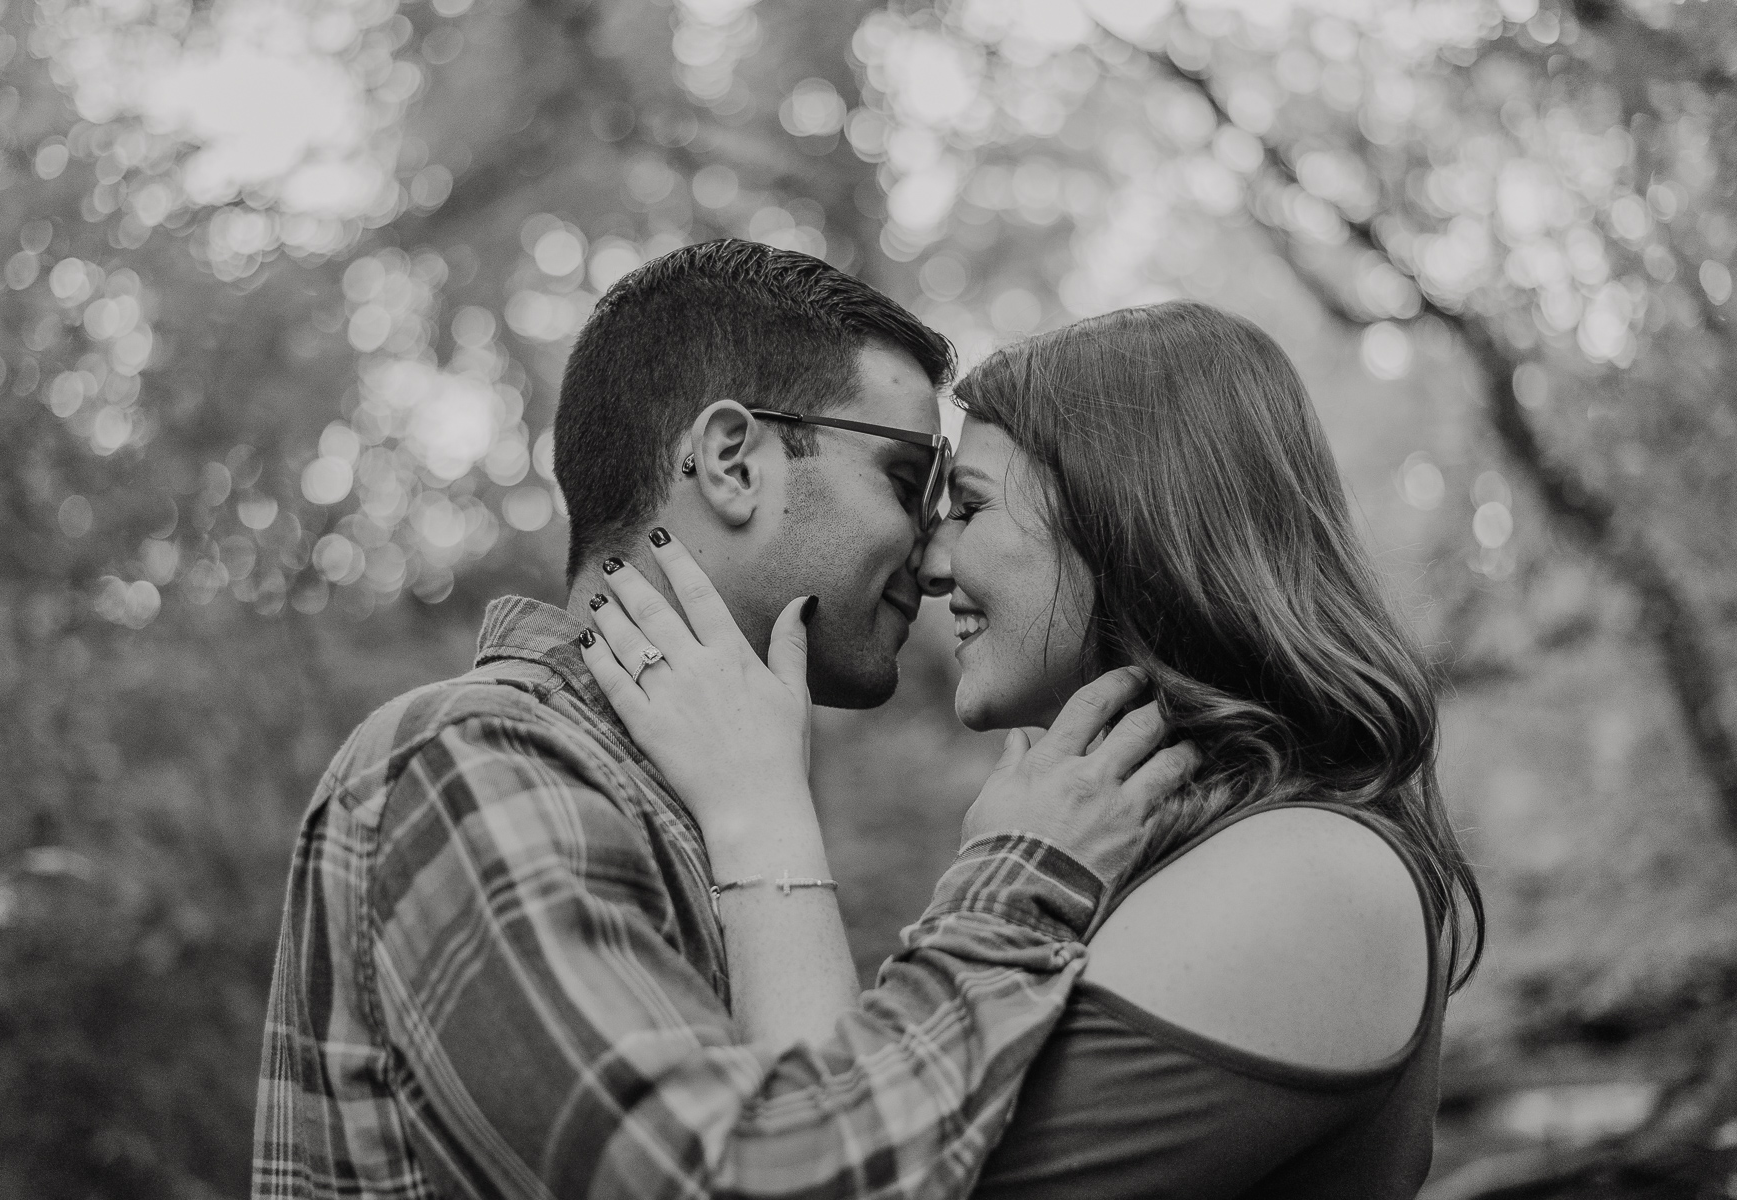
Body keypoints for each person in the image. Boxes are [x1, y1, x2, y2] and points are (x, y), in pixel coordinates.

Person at [250, 240, 1197, 1200]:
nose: (936, 547)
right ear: (734, 461)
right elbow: (768, 1182)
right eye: (910, 485)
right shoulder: (470, 762)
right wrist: (1014, 888)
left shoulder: (700, 794)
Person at [583, 299, 1485, 1199]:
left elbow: (825, 1175)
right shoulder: (1157, 840)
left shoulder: (1307, 874)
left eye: (968, 508)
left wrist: (767, 818)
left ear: (1132, 523)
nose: (929, 565)